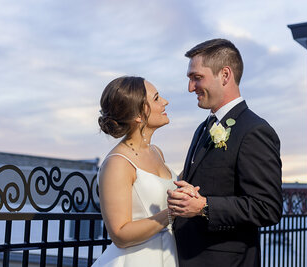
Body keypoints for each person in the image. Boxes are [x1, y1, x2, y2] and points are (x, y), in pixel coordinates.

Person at [167, 38, 283, 266]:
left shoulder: (254, 130)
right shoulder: (203, 127)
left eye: (196, 78)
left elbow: (267, 208)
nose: (190, 88)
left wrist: (204, 207)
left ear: (225, 75)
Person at [93, 76, 197, 267]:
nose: (165, 102)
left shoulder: (157, 152)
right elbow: (120, 234)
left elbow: (163, 189)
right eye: (156, 98)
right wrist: (171, 213)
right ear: (139, 115)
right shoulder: (118, 163)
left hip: (168, 255)